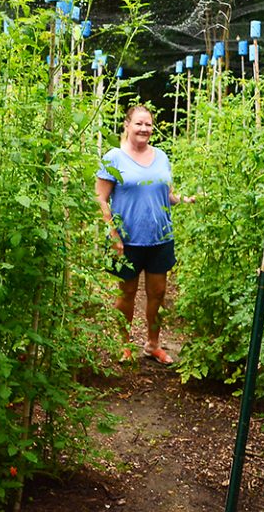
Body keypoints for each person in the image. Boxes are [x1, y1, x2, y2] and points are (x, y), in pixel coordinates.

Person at [95, 105, 194, 365]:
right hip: (126, 239)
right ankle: (125, 345)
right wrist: (113, 233)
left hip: (160, 237)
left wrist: (186, 199)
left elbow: (167, 195)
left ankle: (153, 344)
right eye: (139, 124)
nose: (144, 129)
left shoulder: (161, 157)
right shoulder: (114, 157)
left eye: (148, 125)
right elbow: (101, 198)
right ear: (127, 125)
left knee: (158, 293)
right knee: (127, 293)